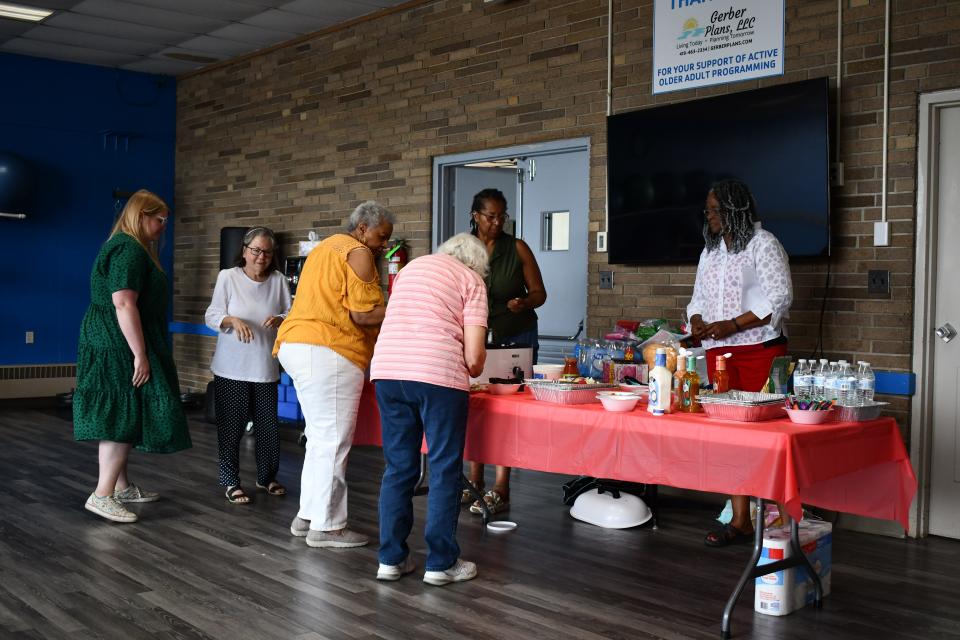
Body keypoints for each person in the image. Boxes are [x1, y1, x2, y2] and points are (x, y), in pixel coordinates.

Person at [274, 201, 393, 548]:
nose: (384, 244)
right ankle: (327, 527)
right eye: (381, 237)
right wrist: (401, 305)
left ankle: (307, 516)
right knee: (333, 441)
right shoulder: (358, 252)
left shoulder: (325, 247)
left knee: (319, 437)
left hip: (297, 344)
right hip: (329, 349)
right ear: (361, 229)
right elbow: (363, 315)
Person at [371, 233, 488, 585]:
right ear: (476, 263)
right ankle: (441, 563)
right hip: (437, 376)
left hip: (388, 372)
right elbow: (474, 358)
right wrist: (476, 371)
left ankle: (390, 559)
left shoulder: (410, 270)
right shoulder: (472, 280)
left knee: (399, 468)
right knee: (443, 468)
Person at [686, 179, 793, 547]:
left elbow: (779, 298)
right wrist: (697, 320)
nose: (709, 216)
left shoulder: (764, 244)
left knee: (767, 439)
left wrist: (733, 324)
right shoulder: (711, 251)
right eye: (708, 210)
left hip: (761, 351)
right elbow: (697, 295)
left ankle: (782, 524)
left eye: (715, 210)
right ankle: (741, 520)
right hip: (720, 355)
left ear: (735, 210)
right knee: (729, 439)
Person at [74, 189, 192, 523]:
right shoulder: (128, 249)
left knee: (130, 406)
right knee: (122, 412)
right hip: (117, 340)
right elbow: (123, 303)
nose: (163, 226)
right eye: (159, 219)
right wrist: (140, 354)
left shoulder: (129, 247)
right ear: (141, 216)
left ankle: (121, 485)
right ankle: (102, 494)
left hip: (114, 336)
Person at [465, 188, 546, 516]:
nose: (497, 222)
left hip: (515, 334)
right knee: (474, 406)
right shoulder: (463, 249)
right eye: (490, 216)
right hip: (477, 336)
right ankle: (473, 482)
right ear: (476, 216)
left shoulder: (517, 247)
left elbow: (540, 292)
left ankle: (501, 486)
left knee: (505, 410)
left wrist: (524, 302)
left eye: (502, 216)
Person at [205, 227, 292, 504]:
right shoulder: (228, 277)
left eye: (267, 252)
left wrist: (280, 319)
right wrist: (233, 320)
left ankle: (266, 477)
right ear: (244, 251)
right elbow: (212, 315)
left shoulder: (278, 280)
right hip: (231, 368)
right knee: (232, 426)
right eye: (255, 250)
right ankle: (231, 481)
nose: (261, 256)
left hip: (265, 366)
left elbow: (291, 314)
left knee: (268, 428)